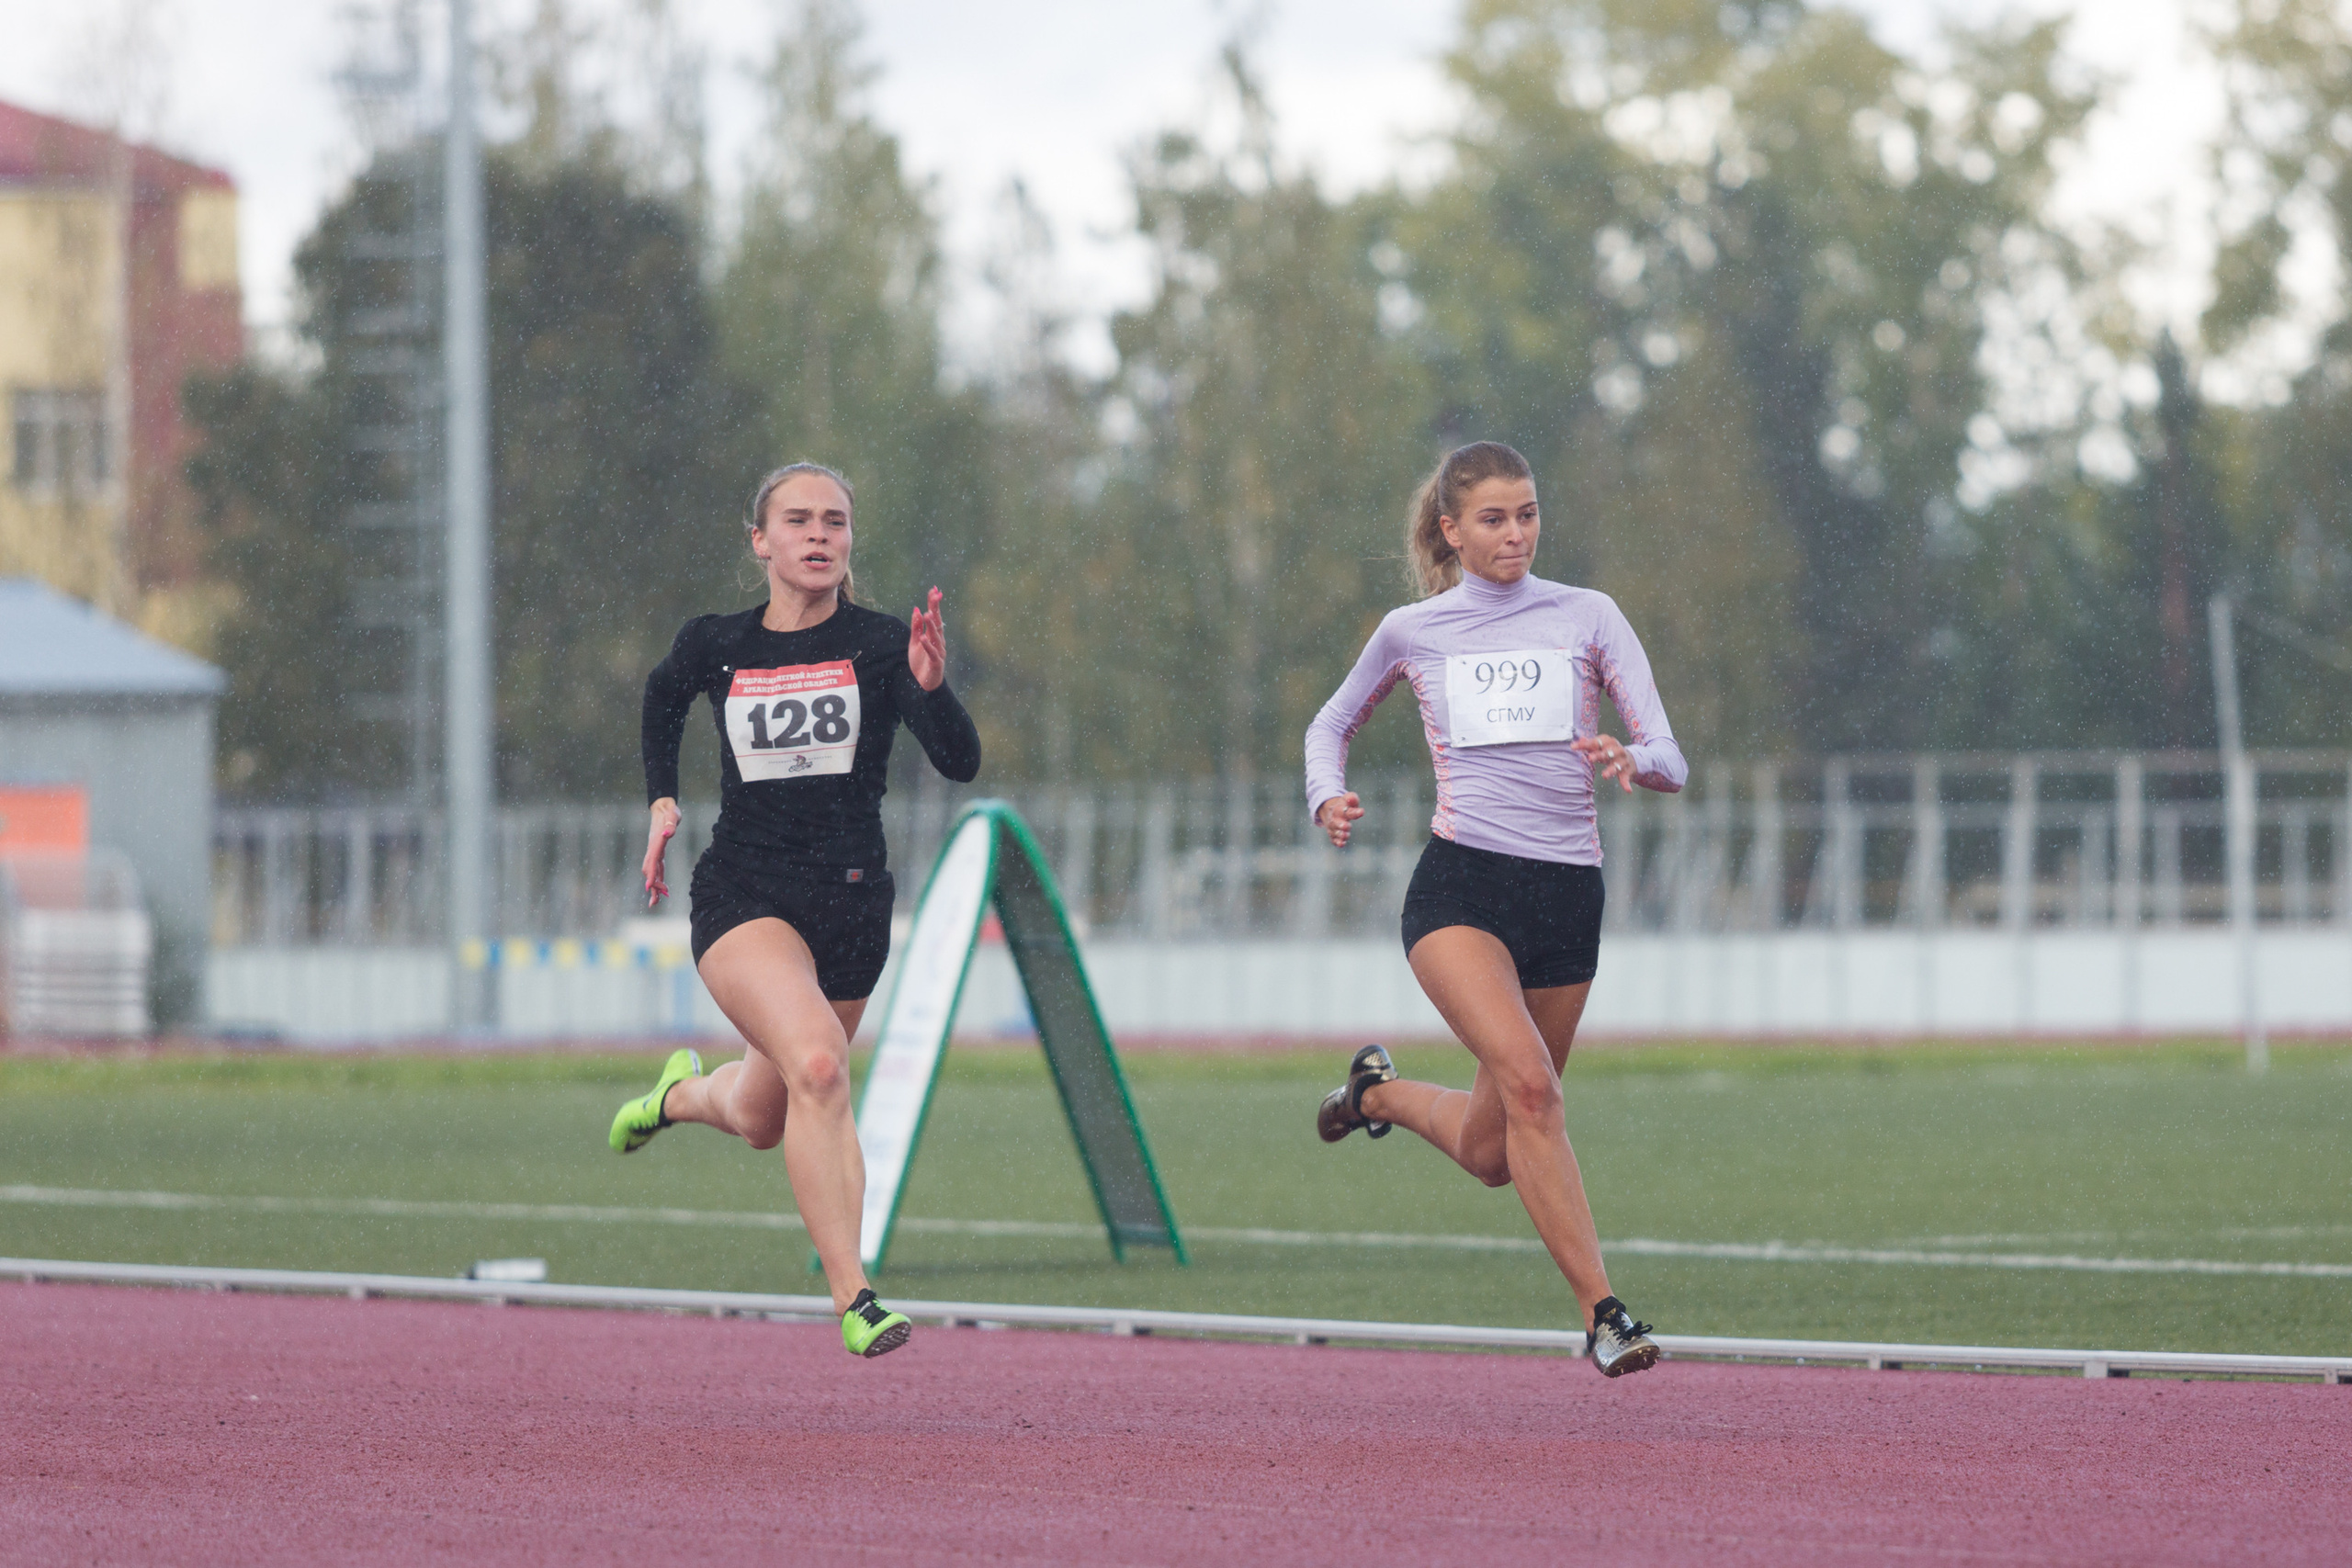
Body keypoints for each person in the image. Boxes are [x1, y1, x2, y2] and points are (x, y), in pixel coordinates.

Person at [1302, 440, 1686, 1378]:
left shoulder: (1588, 615)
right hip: (1462, 890)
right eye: (1492, 519)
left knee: (1491, 1152)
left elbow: (1670, 756)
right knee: (1533, 1090)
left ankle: (1372, 1094)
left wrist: (1633, 760)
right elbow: (1331, 722)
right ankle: (1605, 1315)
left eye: (1527, 514)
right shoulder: (1412, 631)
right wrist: (1326, 794)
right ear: (1451, 531)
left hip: (1567, 897)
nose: (1515, 534)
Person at [611, 461, 980, 1359]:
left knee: (762, 1115)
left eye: (835, 521)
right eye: (799, 519)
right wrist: (661, 800)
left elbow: (959, 762)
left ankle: (678, 1094)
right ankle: (856, 1297)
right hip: (745, 896)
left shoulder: (882, 644)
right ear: (761, 541)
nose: (819, 534)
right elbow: (662, 695)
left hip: (851, 909)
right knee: (819, 1066)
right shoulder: (718, 643)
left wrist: (932, 687)